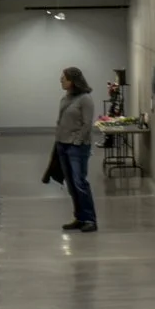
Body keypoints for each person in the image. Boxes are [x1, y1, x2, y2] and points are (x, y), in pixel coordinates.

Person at [55, 66, 98, 233]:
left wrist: (77, 141)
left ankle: (90, 219)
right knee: (71, 184)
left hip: (77, 147)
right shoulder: (65, 98)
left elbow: (87, 123)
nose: (61, 81)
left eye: (64, 78)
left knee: (80, 182)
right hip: (62, 144)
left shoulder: (85, 99)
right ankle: (79, 217)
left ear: (72, 81)